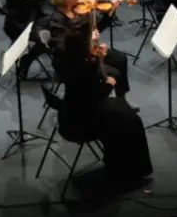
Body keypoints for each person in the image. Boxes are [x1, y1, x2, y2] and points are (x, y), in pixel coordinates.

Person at [52, 16, 153, 189]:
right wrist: (109, 83)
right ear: (84, 42)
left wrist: (95, 54)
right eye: (92, 35)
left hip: (70, 111)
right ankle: (128, 170)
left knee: (122, 110)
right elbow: (96, 95)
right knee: (130, 119)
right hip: (82, 121)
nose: (96, 37)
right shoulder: (86, 65)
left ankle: (115, 161)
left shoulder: (65, 54)